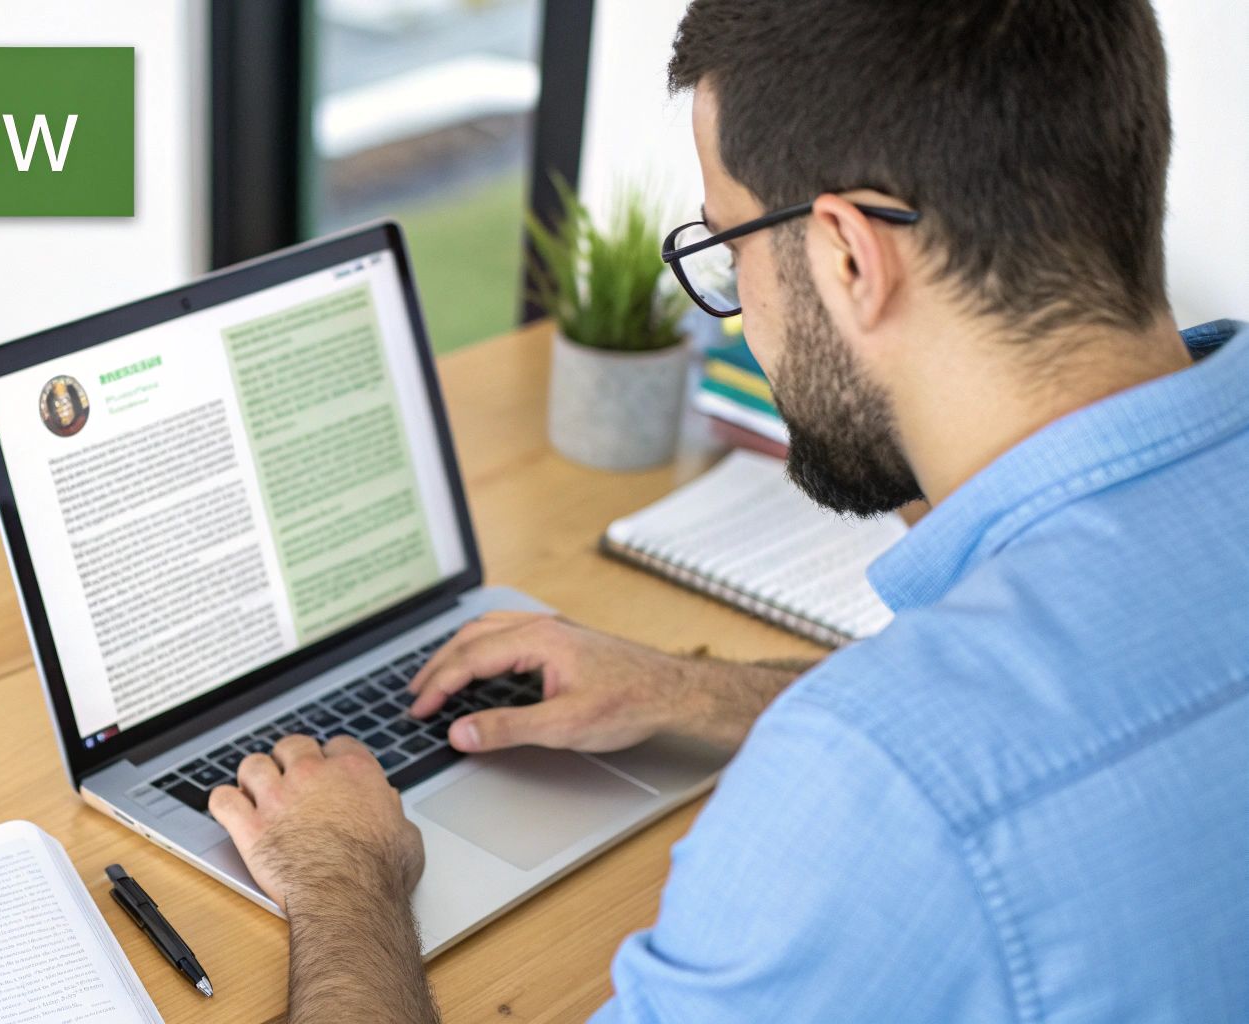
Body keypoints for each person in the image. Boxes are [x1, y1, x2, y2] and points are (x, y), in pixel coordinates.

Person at [206, 0, 1249, 1020]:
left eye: (730, 245)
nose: (738, 303)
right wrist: (701, 695)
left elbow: (936, 765)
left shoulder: (864, 789)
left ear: (846, 256)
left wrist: (344, 877)